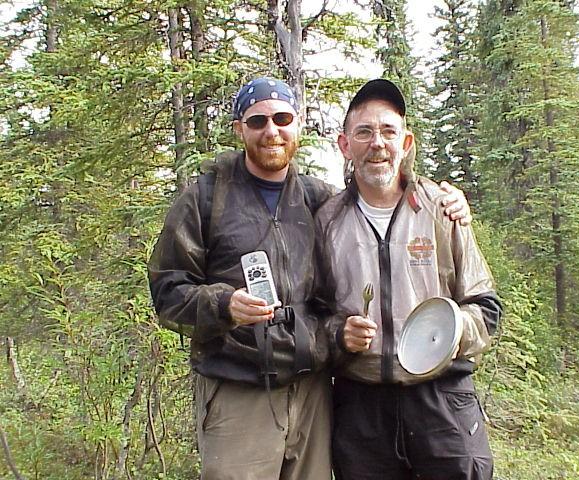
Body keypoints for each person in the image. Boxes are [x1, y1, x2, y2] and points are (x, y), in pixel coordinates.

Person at [148, 77, 472, 480]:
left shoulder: (320, 200)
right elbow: (168, 291)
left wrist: (444, 200)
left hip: (312, 390)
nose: (272, 131)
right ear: (239, 129)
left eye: (282, 119)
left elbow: (373, 219)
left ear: (298, 125)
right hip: (239, 388)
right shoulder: (205, 199)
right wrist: (223, 305)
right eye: (257, 121)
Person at [315, 79, 503, 480]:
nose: (377, 143)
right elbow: (313, 312)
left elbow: (486, 308)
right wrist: (338, 334)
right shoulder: (327, 222)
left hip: (442, 400)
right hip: (360, 407)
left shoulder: (441, 209)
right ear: (345, 145)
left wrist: (446, 333)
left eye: (388, 131)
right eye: (364, 132)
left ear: (406, 141)